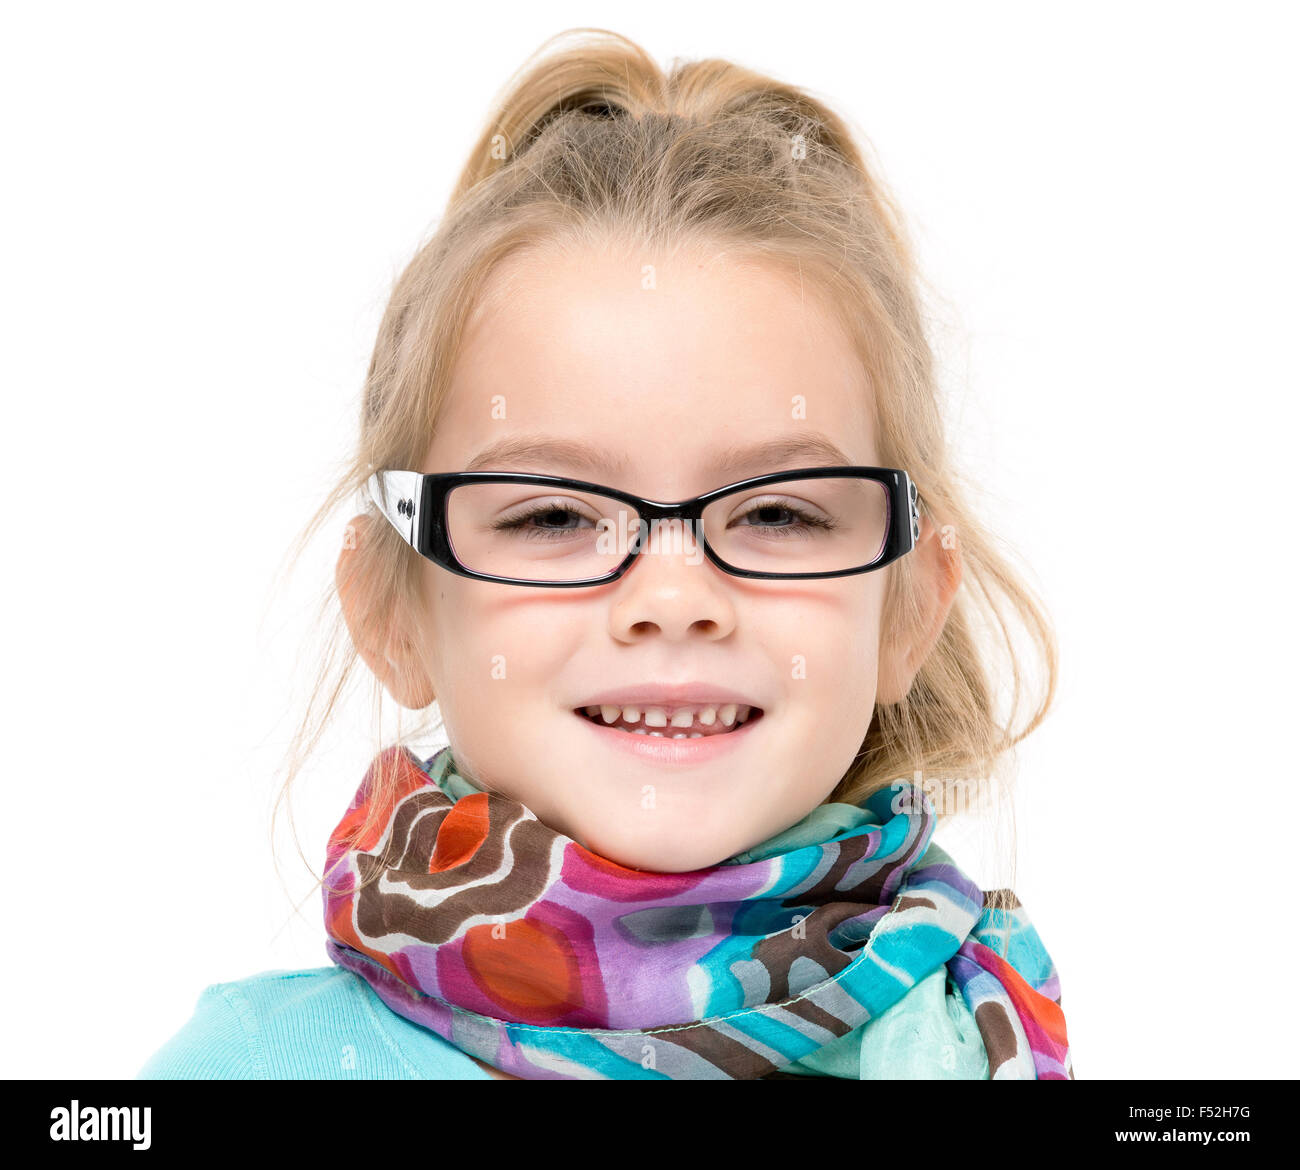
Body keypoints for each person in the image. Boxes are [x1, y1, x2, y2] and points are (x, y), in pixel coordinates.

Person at [138, 26, 1072, 1081]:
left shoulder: (976, 1041)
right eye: (550, 517)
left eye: (777, 513)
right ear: (389, 610)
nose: (674, 598)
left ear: (909, 609)